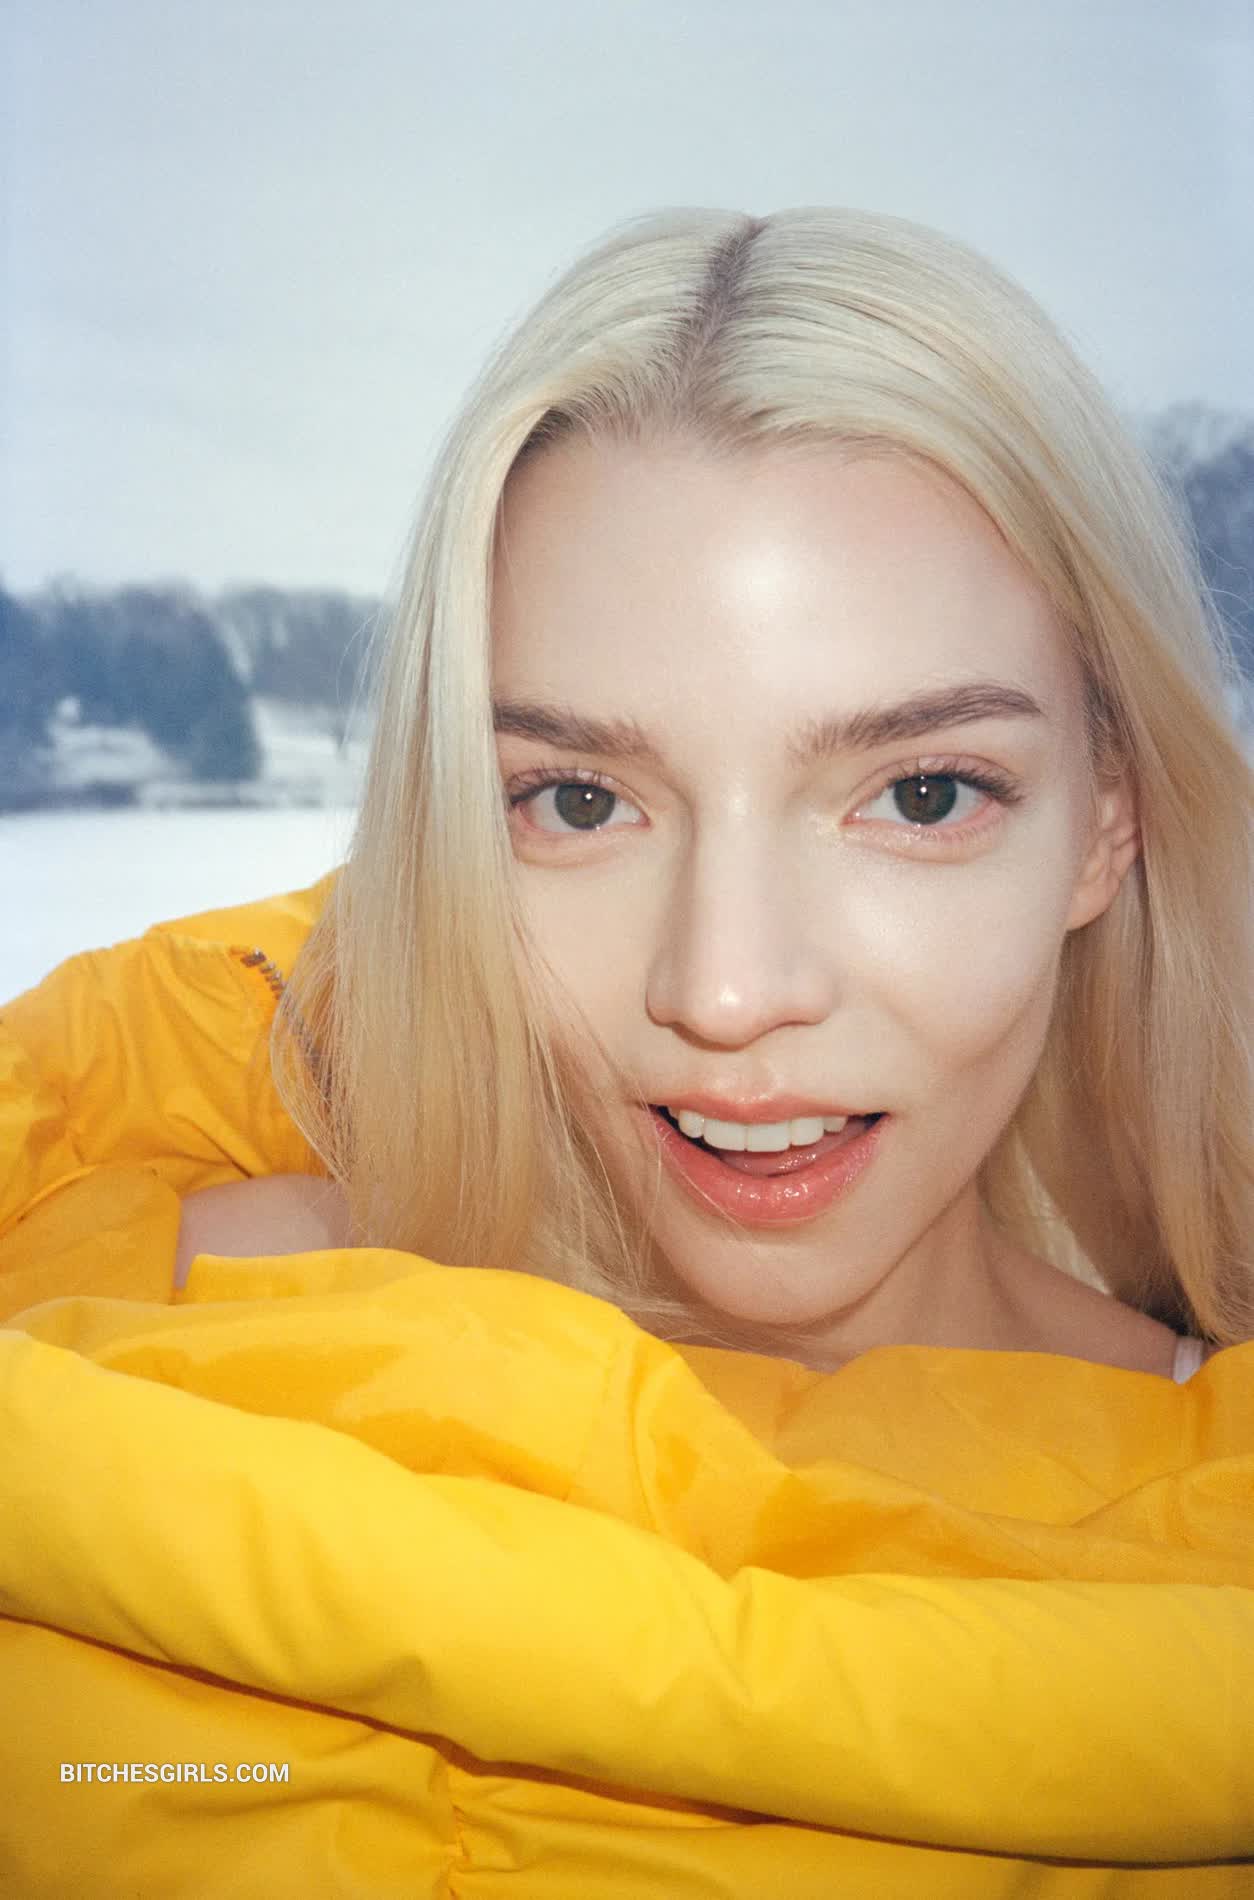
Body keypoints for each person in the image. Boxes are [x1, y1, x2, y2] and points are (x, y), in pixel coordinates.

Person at [1, 207, 1251, 1895]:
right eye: (579, 803)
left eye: (920, 794)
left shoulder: (1208, 1514)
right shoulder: (149, 1316)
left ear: (1104, 826)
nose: (724, 993)